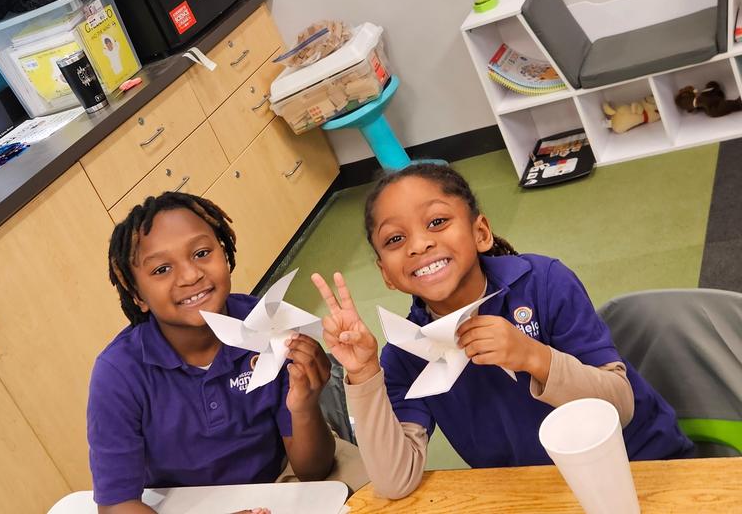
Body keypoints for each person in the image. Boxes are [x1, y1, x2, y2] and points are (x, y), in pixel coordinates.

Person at [312, 163, 693, 500]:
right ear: (386, 274)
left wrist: (534, 357)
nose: (420, 244)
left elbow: (621, 405)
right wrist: (363, 373)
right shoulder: (405, 352)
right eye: (395, 239)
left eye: (437, 222)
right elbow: (396, 482)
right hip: (535, 496)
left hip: (642, 468)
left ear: (480, 233)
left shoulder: (544, 282)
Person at [88, 192, 335, 513]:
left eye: (202, 253)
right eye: (162, 269)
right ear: (137, 295)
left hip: (277, 484)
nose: (191, 276)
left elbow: (313, 471)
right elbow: (117, 505)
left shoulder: (271, 327)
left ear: (226, 253)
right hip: (182, 505)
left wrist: (305, 408)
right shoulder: (117, 374)